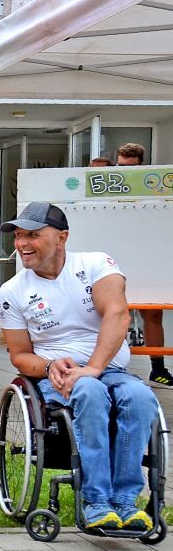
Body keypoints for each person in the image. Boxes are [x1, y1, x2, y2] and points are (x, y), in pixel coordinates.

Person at [0, 201, 158, 531]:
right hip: (59, 377)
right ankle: (96, 502)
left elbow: (117, 314)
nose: (22, 243)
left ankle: (125, 503)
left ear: (62, 237)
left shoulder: (96, 265)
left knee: (141, 397)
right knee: (89, 391)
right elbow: (20, 355)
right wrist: (50, 365)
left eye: (32, 235)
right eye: (18, 236)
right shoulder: (13, 291)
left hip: (108, 369)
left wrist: (94, 367)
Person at [115, 143, 170, 387]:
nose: (124, 171)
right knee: (110, 315)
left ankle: (158, 369)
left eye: (130, 167)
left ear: (141, 165)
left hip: (145, 258)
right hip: (116, 258)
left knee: (153, 314)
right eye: (120, 166)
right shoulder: (110, 186)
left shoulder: (152, 189)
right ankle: (111, 366)